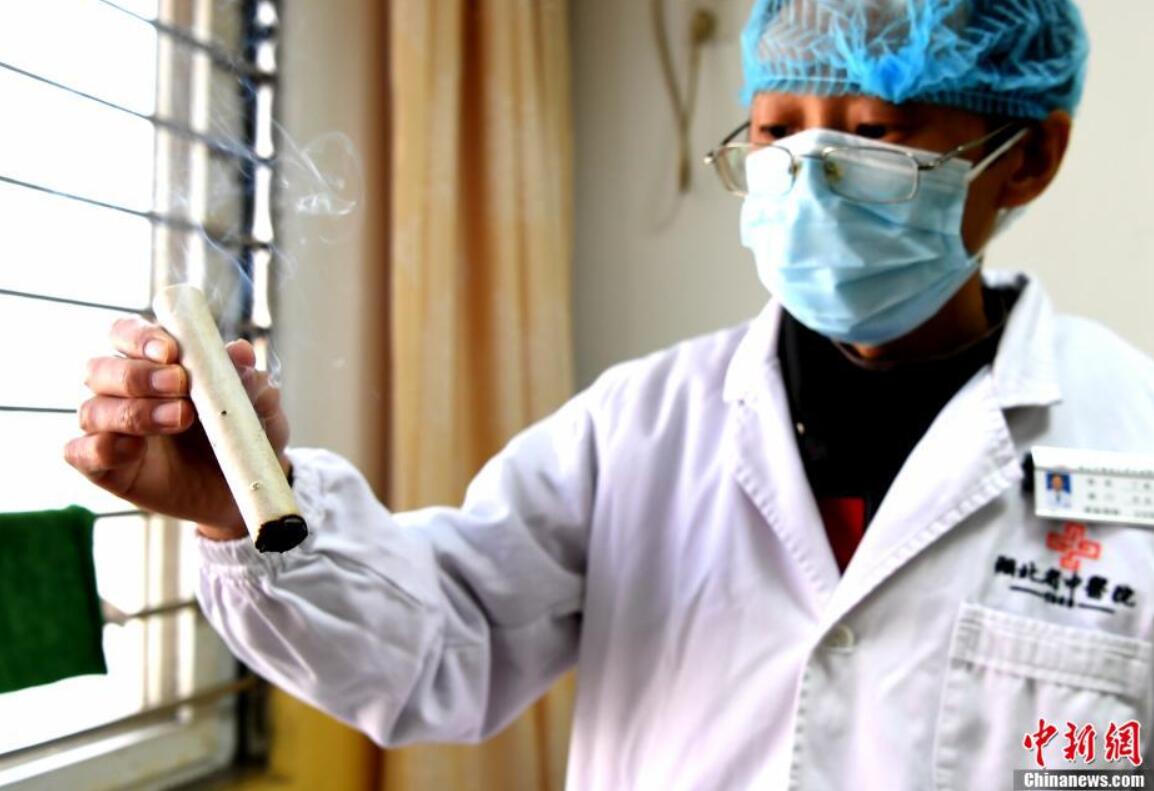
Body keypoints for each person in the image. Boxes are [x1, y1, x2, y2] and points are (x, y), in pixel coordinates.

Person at [67, 0, 1154, 787]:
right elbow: (436, 645)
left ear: (1026, 158)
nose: (811, 174)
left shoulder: (1131, 436)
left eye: (873, 132)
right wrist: (245, 511)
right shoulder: (641, 425)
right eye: (776, 131)